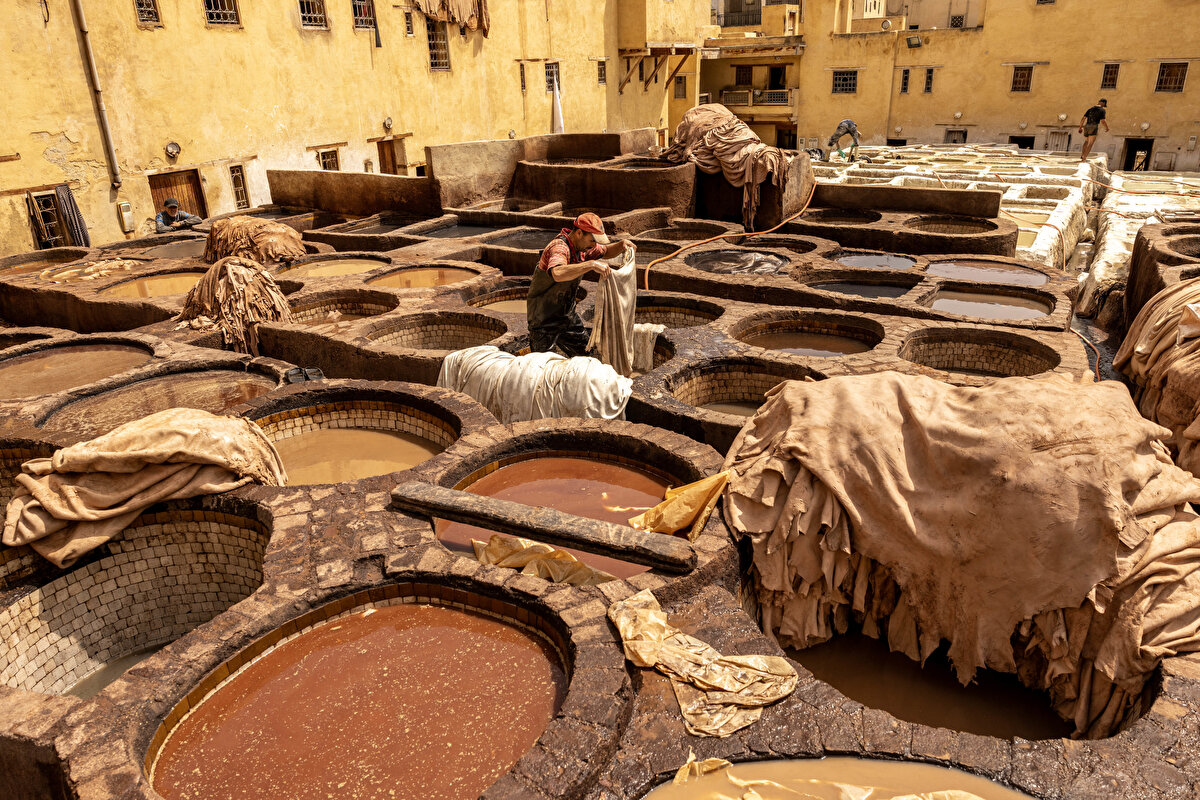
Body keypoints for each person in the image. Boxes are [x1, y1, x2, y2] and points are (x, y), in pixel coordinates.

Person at [527, 212, 634, 357]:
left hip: (566, 316)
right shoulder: (559, 247)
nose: (594, 245)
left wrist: (621, 245)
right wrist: (590, 265)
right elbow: (557, 273)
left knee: (588, 357)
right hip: (542, 321)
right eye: (592, 240)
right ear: (578, 233)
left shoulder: (583, 248)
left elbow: (606, 251)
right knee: (543, 368)